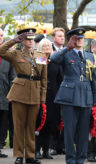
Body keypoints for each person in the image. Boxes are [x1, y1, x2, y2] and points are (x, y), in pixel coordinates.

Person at [50, 28, 96, 164]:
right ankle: (71, 159)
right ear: (71, 39)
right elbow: (53, 59)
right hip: (69, 97)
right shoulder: (65, 54)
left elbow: (94, 80)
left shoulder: (90, 56)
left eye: (81, 38)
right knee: (69, 131)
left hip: (86, 96)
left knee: (83, 132)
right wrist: (67, 48)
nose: (79, 40)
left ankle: (80, 159)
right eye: (76, 38)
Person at [0, 28, 47, 164]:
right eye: (27, 39)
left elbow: (44, 79)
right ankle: (19, 155)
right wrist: (14, 41)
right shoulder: (15, 53)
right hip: (19, 93)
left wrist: (42, 98)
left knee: (31, 126)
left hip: (35, 93)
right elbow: (1, 51)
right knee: (19, 126)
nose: (30, 41)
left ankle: (30, 155)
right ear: (21, 40)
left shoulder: (40, 55)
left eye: (32, 39)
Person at [35, 38, 54, 160]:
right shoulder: (39, 60)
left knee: (49, 124)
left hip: (53, 96)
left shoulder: (54, 61)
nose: (47, 47)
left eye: (49, 45)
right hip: (39, 95)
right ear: (40, 48)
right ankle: (36, 150)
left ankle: (47, 150)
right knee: (38, 124)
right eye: (44, 45)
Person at [49, 27, 65, 156]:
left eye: (63, 36)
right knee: (54, 117)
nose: (62, 38)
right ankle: (53, 144)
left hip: (66, 87)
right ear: (53, 38)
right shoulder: (48, 50)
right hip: (53, 88)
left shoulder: (67, 51)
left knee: (65, 117)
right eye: (59, 36)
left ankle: (62, 145)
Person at [0, 28, 15, 158]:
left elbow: (12, 77)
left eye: (1, 35)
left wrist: (11, 93)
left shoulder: (7, 56)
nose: (0, 37)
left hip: (4, 95)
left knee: (3, 124)